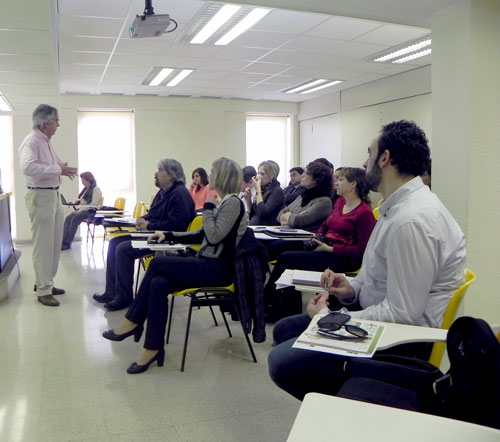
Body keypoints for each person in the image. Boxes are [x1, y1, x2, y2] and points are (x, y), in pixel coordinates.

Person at [267, 120, 466, 401]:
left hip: (402, 340)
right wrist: (351, 289)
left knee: (282, 363)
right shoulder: (393, 209)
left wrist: (331, 319)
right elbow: (378, 277)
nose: (365, 161)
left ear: (384, 159)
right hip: (385, 317)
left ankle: (346, 408)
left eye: (369, 153)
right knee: (287, 329)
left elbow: (403, 314)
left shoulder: (410, 220)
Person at [102, 157, 248, 374]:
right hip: (206, 263)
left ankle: (133, 320)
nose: (209, 176)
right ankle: (152, 348)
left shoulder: (233, 203)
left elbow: (215, 236)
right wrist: (166, 234)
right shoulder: (224, 203)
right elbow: (199, 234)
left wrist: (207, 206)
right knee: (158, 284)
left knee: (158, 263)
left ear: (222, 176)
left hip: (219, 270)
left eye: (212, 171)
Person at [265, 167, 376, 320]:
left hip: (342, 259)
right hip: (325, 248)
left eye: (341, 180)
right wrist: (317, 238)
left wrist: (331, 249)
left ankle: (269, 303)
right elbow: (325, 225)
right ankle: (278, 305)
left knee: (287, 259)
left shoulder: (364, 213)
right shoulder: (340, 203)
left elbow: (362, 251)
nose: (336, 183)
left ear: (353, 185)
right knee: (283, 253)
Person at [92, 159, 196, 311]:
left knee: (123, 249)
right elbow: (152, 214)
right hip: (153, 234)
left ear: (171, 175)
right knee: (115, 242)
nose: (155, 173)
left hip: (167, 240)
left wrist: (150, 225)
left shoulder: (180, 195)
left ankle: (124, 297)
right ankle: (111, 292)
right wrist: (143, 220)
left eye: (160, 170)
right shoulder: (163, 192)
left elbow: (176, 227)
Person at [19, 104, 78, 307]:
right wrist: (57, 170)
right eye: (56, 120)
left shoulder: (46, 141)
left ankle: (45, 283)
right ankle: (43, 290)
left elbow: (51, 164)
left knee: (53, 244)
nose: (58, 124)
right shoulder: (32, 141)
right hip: (40, 197)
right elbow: (27, 167)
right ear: (45, 123)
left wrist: (62, 167)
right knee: (43, 245)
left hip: (52, 196)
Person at [61, 171, 102, 250]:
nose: (82, 183)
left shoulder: (96, 189)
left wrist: (80, 210)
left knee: (74, 219)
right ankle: (63, 241)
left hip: (91, 211)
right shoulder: (87, 189)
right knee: (67, 219)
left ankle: (67, 242)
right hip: (84, 210)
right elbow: (85, 202)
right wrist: (80, 201)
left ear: (88, 180)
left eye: (83, 181)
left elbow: (93, 205)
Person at [247, 160, 284, 226]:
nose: (258, 177)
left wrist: (258, 189)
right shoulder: (263, 189)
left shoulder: (277, 191)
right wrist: (248, 200)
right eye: (258, 173)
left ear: (271, 175)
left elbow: (262, 213)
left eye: (262, 174)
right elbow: (254, 215)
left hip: (267, 229)